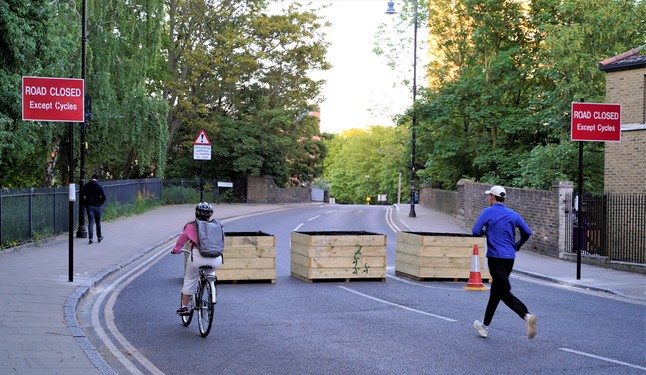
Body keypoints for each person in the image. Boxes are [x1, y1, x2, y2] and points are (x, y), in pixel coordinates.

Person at [471, 185, 537, 340]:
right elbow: (527, 232)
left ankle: (526, 316)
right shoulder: (513, 214)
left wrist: (485, 232)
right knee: (496, 291)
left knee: (502, 291)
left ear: (493, 197)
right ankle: (484, 326)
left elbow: (475, 231)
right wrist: (518, 245)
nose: (489, 199)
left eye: (489, 196)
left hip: (495, 258)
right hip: (509, 258)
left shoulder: (488, 212)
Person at [171, 202, 223, 315]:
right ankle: (211, 290)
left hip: (198, 258)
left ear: (196, 213)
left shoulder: (191, 226)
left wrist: (176, 250)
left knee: (190, 279)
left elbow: (181, 240)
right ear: (210, 215)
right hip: (216, 258)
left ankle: (184, 307)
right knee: (211, 273)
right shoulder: (217, 225)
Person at [80, 174, 106, 244]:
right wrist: (100, 203)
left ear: (92, 178)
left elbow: (81, 196)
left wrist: (85, 204)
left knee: (90, 222)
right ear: (97, 179)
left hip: (89, 206)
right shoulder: (99, 186)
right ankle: (99, 237)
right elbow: (104, 197)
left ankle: (90, 238)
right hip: (97, 206)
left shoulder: (86, 186)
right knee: (98, 222)